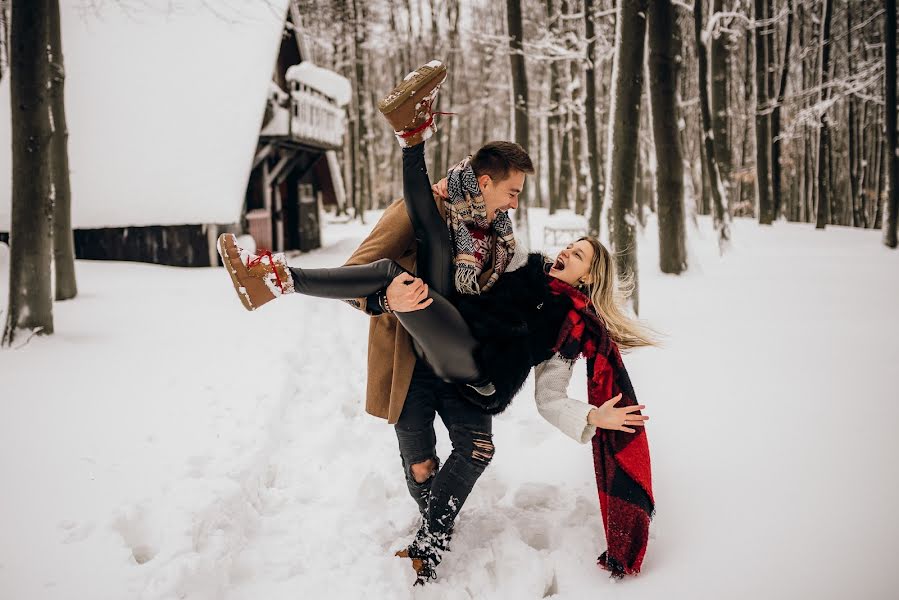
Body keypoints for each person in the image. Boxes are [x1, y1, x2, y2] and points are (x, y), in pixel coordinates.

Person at [218, 60, 656, 583]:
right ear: (486, 182)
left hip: (472, 368)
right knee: (411, 257)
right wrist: (387, 297)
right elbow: (392, 252)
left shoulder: (568, 319)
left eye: (579, 254)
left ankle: (279, 278)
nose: (564, 250)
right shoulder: (513, 256)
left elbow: (551, 396)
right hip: (438, 339)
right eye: (570, 244)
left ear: (588, 278)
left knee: (469, 438)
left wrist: (592, 419)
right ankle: (410, 136)